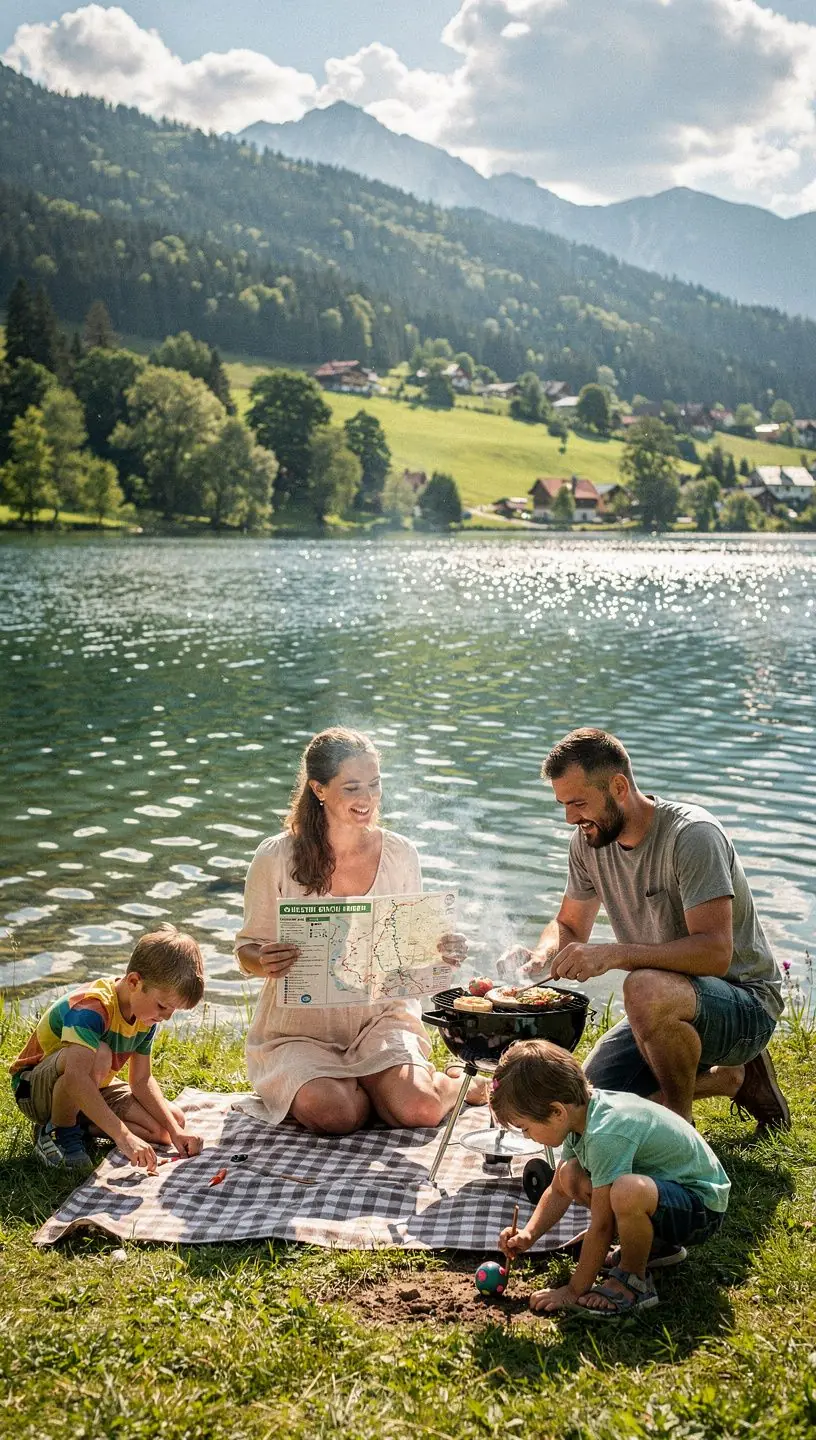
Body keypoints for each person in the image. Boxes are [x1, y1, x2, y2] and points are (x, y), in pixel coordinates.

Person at [506, 728, 788, 1134]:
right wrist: (542, 954)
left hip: (744, 1002)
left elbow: (715, 953)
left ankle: (679, 1132)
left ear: (619, 787)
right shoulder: (587, 841)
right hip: (667, 998)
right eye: (564, 805)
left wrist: (615, 954)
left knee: (642, 986)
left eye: (579, 803)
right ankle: (731, 1079)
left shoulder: (692, 836)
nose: (570, 818)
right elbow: (569, 925)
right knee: (589, 1103)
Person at [235, 726, 487, 1134]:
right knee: (334, 1115)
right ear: (319, 789)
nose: (367, 798)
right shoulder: (276, 856)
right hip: (297, 1030)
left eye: (374, 784)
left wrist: (440, 949)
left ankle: (456, 1085)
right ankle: (371, 1091)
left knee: (421, 1109)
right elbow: (246, 950)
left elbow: (412, 950)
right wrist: (262, 960)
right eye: (352, 787)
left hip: (380, 1020)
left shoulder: (400, 854)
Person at [495, 1040, 730, 1318]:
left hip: (702, 1208)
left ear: (557, 1112)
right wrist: (529, 1234)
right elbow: (558, 1190)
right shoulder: (580, 1115)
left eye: (525, 1128)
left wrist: (573, 1291)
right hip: (671, 1196)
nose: (527, 1136)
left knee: (626, 1191)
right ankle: (656, 1248)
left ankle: (632, 1280)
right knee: (569, 1174)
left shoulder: (605, 1133)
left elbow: (602, 1225)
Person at [9, 924, 205, 1171]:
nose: (166, 1017)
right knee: (100, 1055)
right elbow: (76, 1077)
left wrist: (176, 1132)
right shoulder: (92, 1007)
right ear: (134, 981)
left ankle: (82, 1124)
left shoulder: (145, 1016)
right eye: (163, 1006)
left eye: (173, 1010)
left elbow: (141, 1080)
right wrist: (124, 1137)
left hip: (90, 1084)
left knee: (167, 1126)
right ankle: (57, 1132)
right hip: (35, 1090)